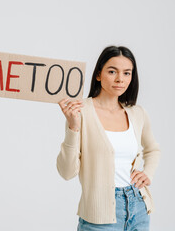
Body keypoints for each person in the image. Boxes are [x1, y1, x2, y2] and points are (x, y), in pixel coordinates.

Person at [56, 46, 161, 230]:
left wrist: (148, 173)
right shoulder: (80, 111)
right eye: (112, 71)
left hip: (138, 207)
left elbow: (153, 149)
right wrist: (73, 127)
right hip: (99, 216)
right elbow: (67, 172)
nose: (120, 79)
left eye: (127, 73)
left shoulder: (137, 113)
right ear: (98, 74)